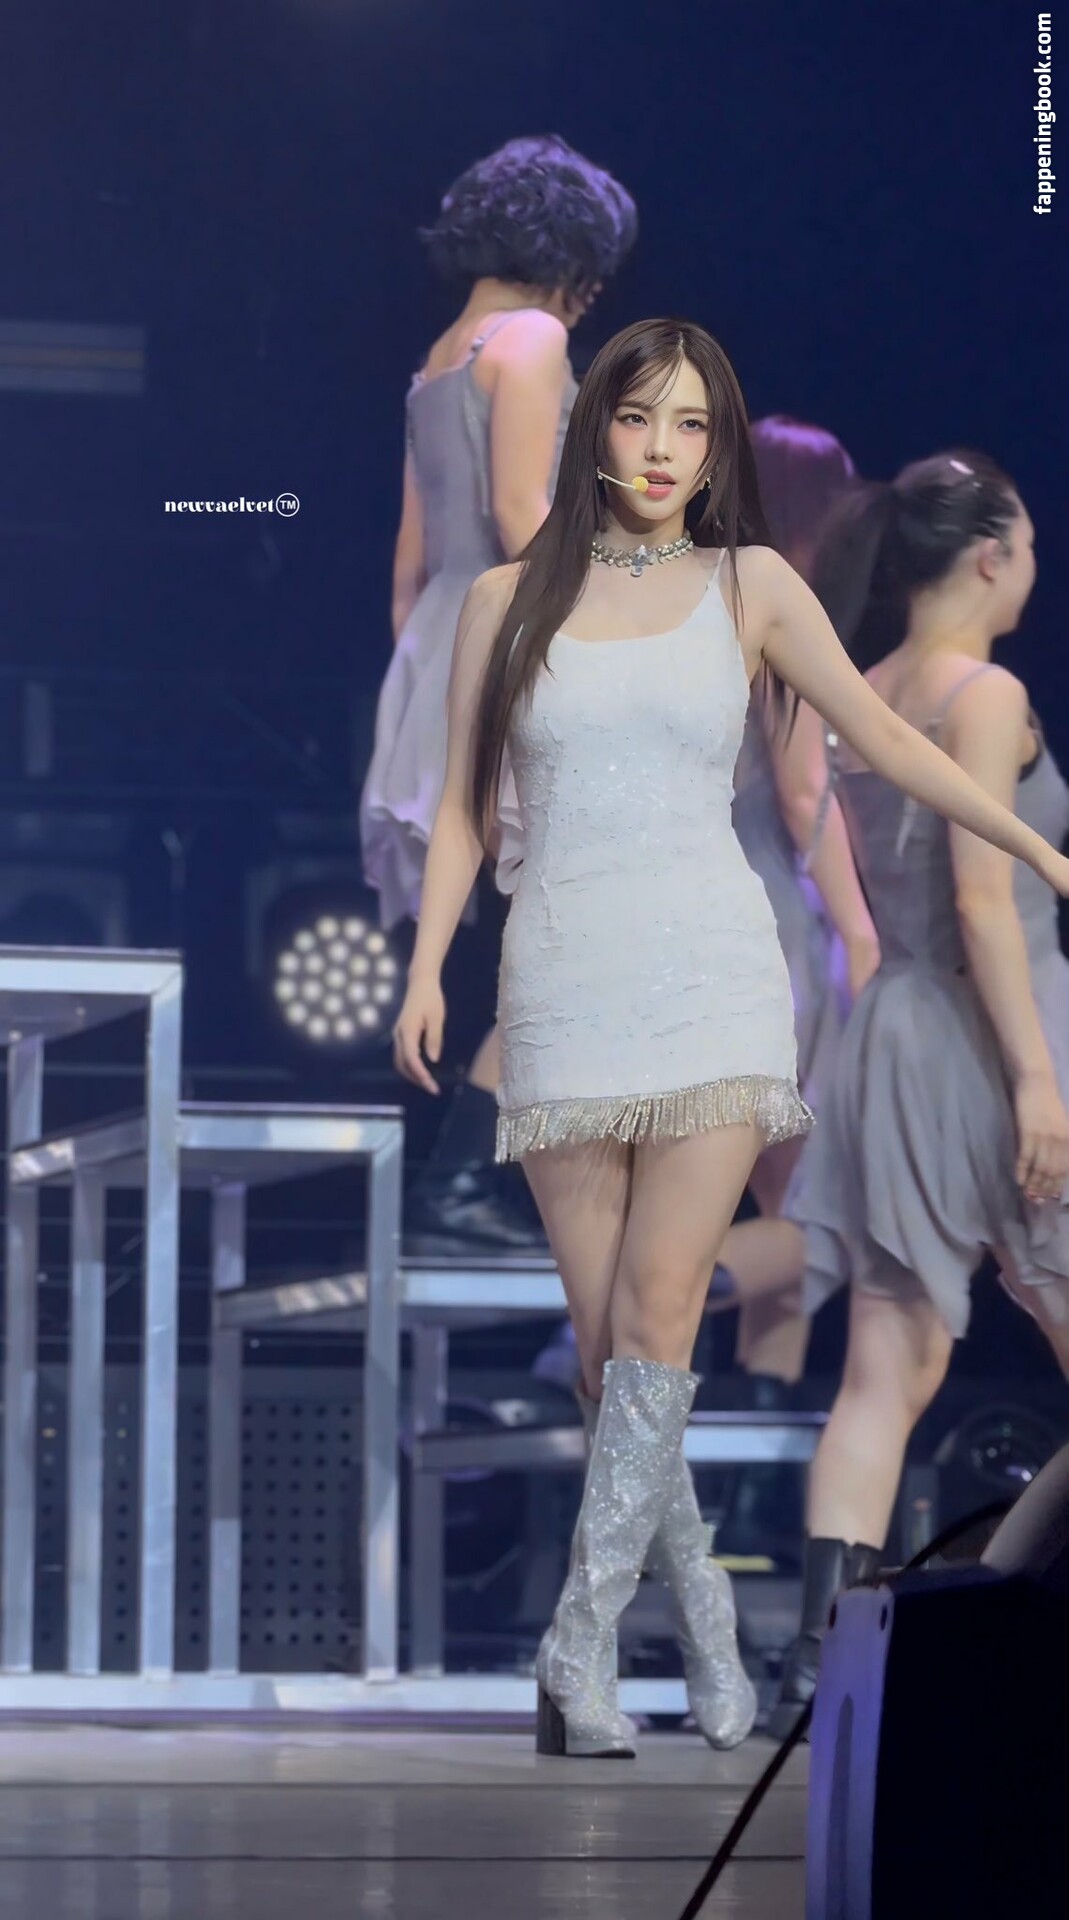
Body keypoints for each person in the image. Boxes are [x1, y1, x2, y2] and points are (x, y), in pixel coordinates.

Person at [392, 320, 1069, 1760]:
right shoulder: (506, 600)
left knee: (657, 1317)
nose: (661, 450)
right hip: (562, 982)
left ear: (716, 449)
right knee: (608, 1355)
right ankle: (702, 1612)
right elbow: (459, 805)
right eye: (639, 418)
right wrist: (427, 969)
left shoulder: (751, 582)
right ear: (596, 428)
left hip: (711, 978)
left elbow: (887, 744)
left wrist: (1033, 844)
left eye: (692, 426)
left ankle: (576, 1650)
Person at [767, 451, 1069, 1736]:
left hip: (887, 1037)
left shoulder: (867, 686)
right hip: (988, 1035)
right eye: (1031, 544)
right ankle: (1014, 1610)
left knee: (881, 1376)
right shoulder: (981, 692)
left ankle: (813, 1665)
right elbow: (981, 902)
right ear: (991, 553)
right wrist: (1036, 1082)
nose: (1035, 567)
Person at [360, 134, 637, 1255]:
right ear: (565, 253)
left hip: (446, 642)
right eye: (594, 268)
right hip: (526, 635)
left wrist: (435, 685)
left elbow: (409, 571)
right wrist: (618, 635)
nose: (594, 293)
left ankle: (467, 1179)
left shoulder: (438, 359)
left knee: (548, 922)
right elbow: (526, 517)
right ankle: (462, 1181)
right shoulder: (530, 339)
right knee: (576, 921)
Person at [711, 420, 879, 1564]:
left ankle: (746, 1501)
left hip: (703, 909)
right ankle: (631, 1306)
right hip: (774, 923)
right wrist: (862, 934)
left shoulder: (693, 602)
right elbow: (804, 789)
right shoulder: (781, 610)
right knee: (828, 1216)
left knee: (786, 1199)